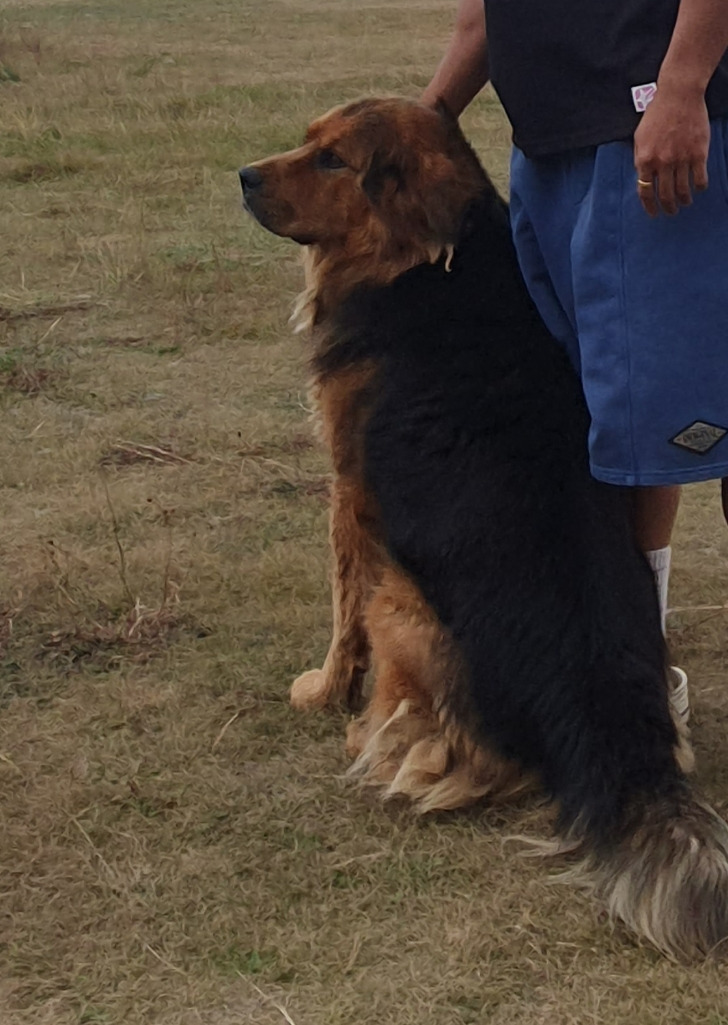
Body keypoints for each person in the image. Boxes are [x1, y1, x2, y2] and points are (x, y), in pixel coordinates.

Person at [422, 0, 728, 720]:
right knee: (616, 417)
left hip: (656, 124)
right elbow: (482, 18)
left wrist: (682, 86)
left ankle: (637, 680)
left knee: (701, 403)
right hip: (550, 144)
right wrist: (425, 122)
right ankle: (638, 666)